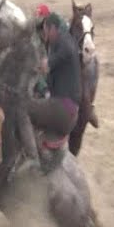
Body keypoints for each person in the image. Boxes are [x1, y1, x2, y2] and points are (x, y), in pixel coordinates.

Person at [27, 12, 82, 150]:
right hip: (69, 108)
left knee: (23, 108)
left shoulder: (62, 42)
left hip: (62, 108)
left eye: (45, 30)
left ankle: (31, 154)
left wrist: (43, 64)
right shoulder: (66, 40)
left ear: (52, 28)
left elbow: (50, 63)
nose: (44, 34)